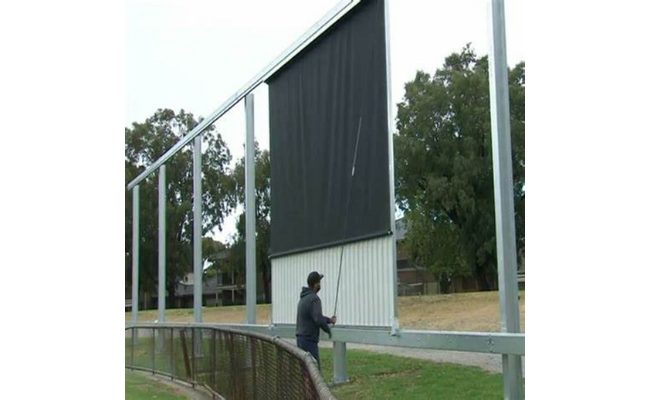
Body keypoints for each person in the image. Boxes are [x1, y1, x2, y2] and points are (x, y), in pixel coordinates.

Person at [295, 271, 336, 369]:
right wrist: (328, 330)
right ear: (316, 284)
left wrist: (329, 320)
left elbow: (314, 316)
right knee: (314, 371)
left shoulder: (303, 298)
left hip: (300, 339)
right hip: (309, 340)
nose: (320, 285)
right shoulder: (314, 299)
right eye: (319, 282)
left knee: (306, 371)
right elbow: (317, 318)